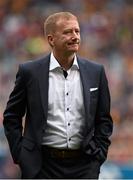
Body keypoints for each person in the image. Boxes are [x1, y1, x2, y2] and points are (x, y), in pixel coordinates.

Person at [3, 12, 113, 179]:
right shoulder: (30, 72)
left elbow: (104, 119)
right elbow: (12, 116)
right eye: (68, 32)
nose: (75, 36)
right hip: (42, 166)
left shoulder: (96, 71)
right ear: (51, 39)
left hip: (84, 165)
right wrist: (21, 154)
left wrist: (98, 155)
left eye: (77, 31)